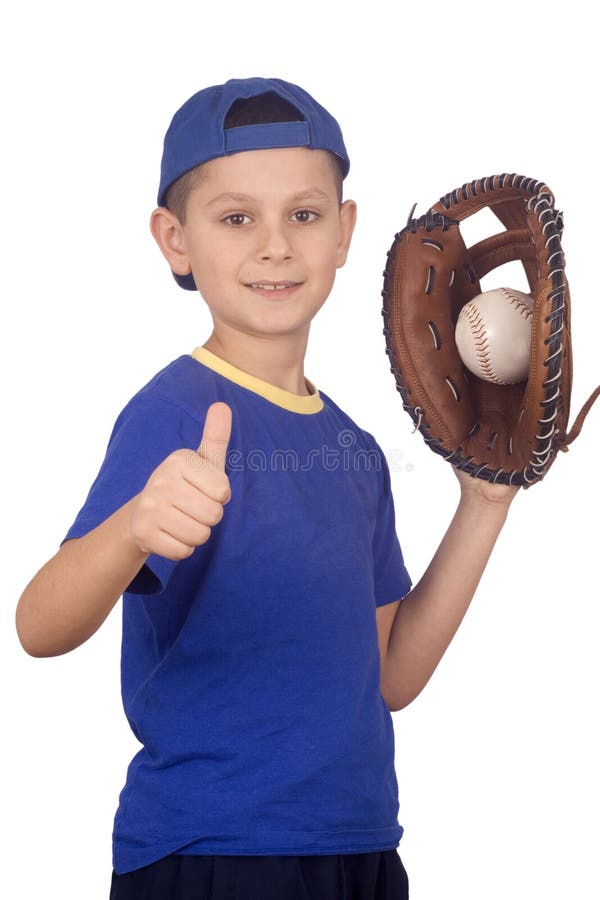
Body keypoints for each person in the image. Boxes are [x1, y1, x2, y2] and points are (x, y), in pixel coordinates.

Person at [15, 77, 518, 900]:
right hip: (212, 851)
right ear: (175, 241)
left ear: (345, 231)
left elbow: (389, 677)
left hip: (360, 846)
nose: (276, 245)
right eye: (237, 217)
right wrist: (135, 526)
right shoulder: (174, 415)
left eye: (306, 214)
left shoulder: (354, 449)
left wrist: (483, 505)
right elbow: (38, 626)